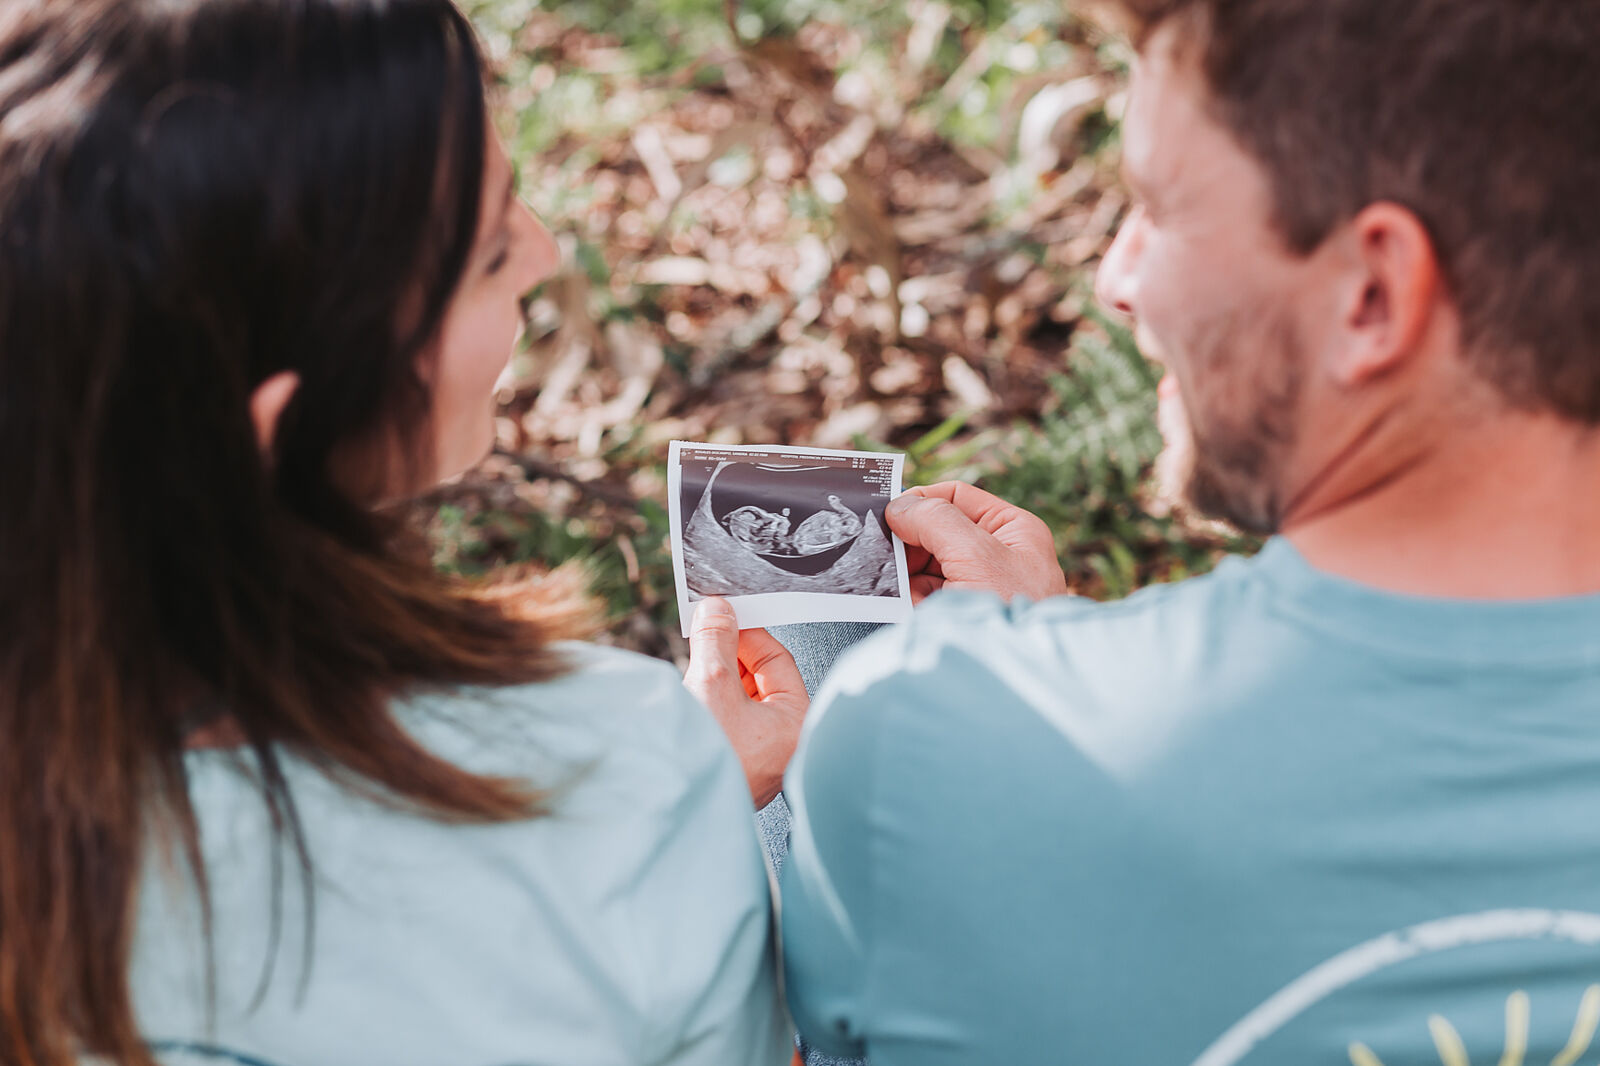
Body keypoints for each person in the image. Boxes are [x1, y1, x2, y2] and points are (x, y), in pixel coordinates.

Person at [755, 1, 1600, 1063]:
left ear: (1372, 294)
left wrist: (1018, 698)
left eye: (1157, 209)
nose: (1115, 280)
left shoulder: (920, 741)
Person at [0, 1, 795, 1064]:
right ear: (269, 436)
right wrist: (680, 813)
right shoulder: (613, 774)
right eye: (486, 255)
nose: (546, 257)